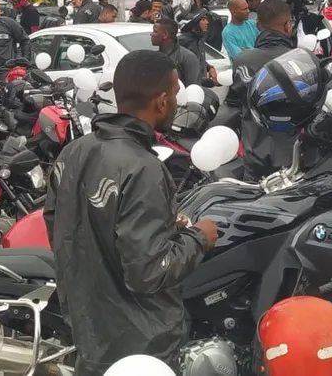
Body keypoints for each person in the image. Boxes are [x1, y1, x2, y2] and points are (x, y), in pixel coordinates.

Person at [42, 50, 218, 375]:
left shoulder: (74, 151)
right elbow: (149, 271)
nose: (178, 103)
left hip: (88, 328)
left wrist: (163, 226)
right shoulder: (143, 167)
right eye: (176, 94)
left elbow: (61, 226)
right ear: (161, 101)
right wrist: (198, 238)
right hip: (141, 343)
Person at [232, 0, 299, 180]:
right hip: (295, 158)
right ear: (288, 25)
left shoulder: (242, 61)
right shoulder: (302, 61)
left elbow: (236, 103)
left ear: (258, 25)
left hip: (254, 154)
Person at [152, 17, 204, 87]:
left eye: (155, 31)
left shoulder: (187, 57)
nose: (151, 34)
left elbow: (193, 87)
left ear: (165, 34)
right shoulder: (154, 57)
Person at [178, 11, 217, 83]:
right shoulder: (183, 41)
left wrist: (209, 67)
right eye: (203, 20)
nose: (207, 22)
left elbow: (199, 59)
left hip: (200, 83)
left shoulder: (200, 39)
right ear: (194, 23)